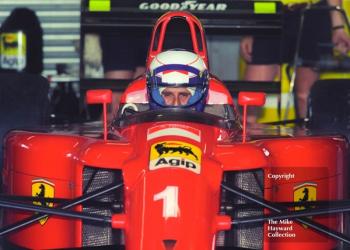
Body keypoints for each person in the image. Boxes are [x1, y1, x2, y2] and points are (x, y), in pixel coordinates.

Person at [240, 0, 350, 120]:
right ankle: (244, 136)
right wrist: (249, 28)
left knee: (305, 97)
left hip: (313, 13)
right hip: (269, 10)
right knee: (250, 97)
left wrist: (338, 27)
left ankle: (308, 137)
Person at [118, 49, 235, 119]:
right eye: (167, 94)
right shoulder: (133, 110)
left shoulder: (220, 115)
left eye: (184, 95)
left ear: (201, 94)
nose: (176, 103)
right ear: (152, 93)